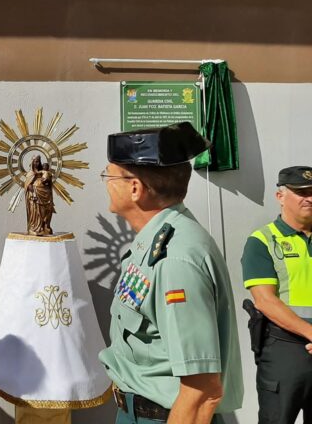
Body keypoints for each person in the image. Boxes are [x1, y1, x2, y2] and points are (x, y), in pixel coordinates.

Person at [97, 122, 243, 424]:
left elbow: (202, 390)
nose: (106, 183)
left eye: (109, 176)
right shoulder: (155, 241)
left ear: (135, 188)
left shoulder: (174, 259)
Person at [241, 166, 312, 423]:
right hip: (285, 350)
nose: (310, 198)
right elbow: (265, 301)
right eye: (301, 192)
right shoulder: (262, 241)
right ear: (280, 196)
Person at [25, 155, 55, 236]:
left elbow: (49, 182)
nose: (37, 163)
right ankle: (35, 228)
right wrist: (30, 187)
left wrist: (48, 181)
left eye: (38, 161)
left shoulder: (43, 171)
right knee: (36, 211)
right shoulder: (30, 173)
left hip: (45, 194)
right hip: (35, 195)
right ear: (32, 162)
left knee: (46, 210)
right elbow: (27, 184)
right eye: (35, 161)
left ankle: (44, 226)